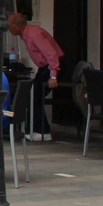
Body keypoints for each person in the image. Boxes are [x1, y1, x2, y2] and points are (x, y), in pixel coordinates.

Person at [8, 13, 64, 142]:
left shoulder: (33, 34)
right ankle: (37, 129)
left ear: (17, 26)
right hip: (45, 67)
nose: (8, 28)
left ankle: (43, 131)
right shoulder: (28, 34)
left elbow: (51, 54)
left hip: (53, 65)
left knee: (35, 96)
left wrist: (53, 76)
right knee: (32, 95)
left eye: (10, 25)